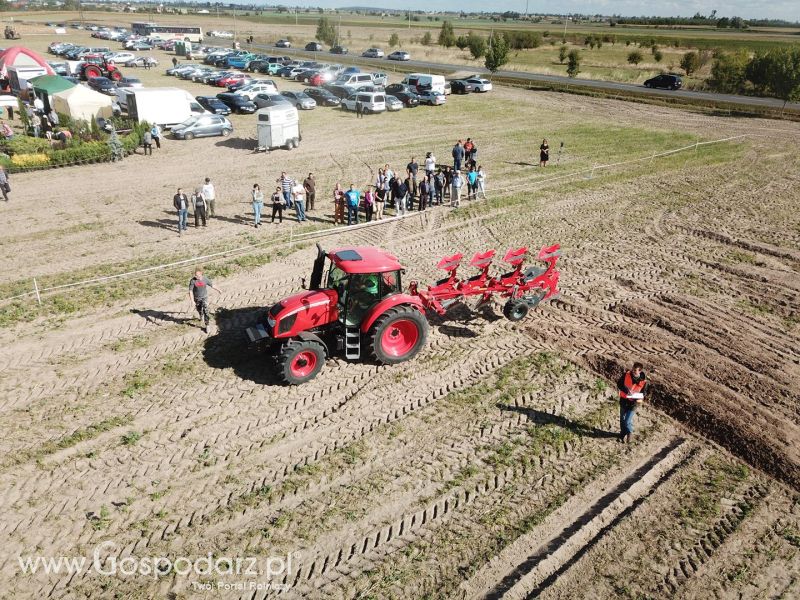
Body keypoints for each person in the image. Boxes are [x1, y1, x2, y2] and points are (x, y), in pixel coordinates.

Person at [617, 362, 648, 444]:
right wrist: (626, 390)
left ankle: (629, 433)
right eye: (632, 369)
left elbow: (644, 394)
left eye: (635, 370)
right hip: (624, 400)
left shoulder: (643, 382)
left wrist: (636, 396)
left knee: (627, 421)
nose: (632, 371)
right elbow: (619, 384)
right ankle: (622, 433)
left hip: (634, 403)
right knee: (622, 419)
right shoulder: (626, 375)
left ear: (640, 371)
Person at [188, 268, 221, 334]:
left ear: (201, 274)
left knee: (206, 311)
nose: (196, 277)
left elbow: (212, 285)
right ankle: (201, 315)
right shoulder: (193, 281)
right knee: (199, 309)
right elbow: (190, 291)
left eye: (198, 276)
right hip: (197, 298)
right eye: (195, 275)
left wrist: (219, 290)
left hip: (204, 297)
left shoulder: (205, 279)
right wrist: (192, 301)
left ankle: (207, 325)